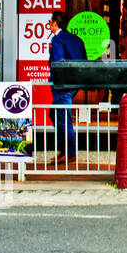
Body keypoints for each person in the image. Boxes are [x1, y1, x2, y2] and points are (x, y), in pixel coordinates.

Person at [48, 11, 86, 166]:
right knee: (55, 114)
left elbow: (58, 63)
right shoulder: (76, 39)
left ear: (55, 23)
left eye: (50, 22)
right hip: (75, 82)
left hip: (63, 84)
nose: (49, 25)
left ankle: (69, 153)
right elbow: (84, 60)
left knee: (63, 118)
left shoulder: (57, 40)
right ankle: (64, 150)